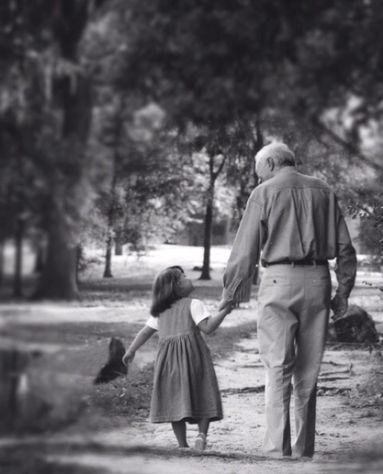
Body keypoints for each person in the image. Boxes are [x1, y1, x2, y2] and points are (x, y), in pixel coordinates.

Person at [221, 142, 357, 458]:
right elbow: (346, 249)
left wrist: (230, 296)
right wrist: (343, 293)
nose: (259, 179)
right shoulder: (324, 191)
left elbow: (245, 251)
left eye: (260, 172)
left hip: (278, 281)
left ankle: (275, 449)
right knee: (309, 370)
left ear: (271, 162)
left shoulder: (263, 193)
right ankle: (303, 449)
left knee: (277, 365)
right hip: (318, 281)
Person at [123, 265, 232, 451]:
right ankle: (202, 435)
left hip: (169, 364)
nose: (189, 278)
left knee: (174, 400)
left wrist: (131, 350)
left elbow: (144, 332)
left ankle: (182, 445)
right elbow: (208, 328)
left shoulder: (160, 312)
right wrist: (225, 311)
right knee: (203, 392)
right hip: (194, 359)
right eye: (184, 277)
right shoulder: (193, 304)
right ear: (176, 286)